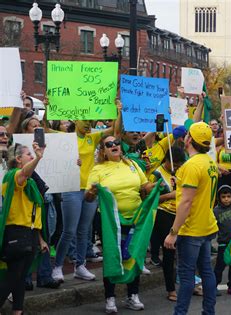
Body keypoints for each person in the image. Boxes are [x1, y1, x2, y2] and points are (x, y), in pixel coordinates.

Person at [85, 135, 155, 313]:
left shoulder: (132, 165)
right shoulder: (98, 169)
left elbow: (145, 186)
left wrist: (160, 185)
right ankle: (110, 298)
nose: (114, 145)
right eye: (109, 144)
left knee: (134, 255)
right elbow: (88, 197)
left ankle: (132, 295)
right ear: (103, 150)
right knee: (112, 257)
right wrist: (92, 192)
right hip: (110, 222)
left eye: (116, 143)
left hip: (134, 218)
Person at [52, 101, 120, 283]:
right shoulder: (65, 137)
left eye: (91, 120)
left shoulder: (93, 137)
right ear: (76, 120)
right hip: (72, 188)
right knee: (69, 231)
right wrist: (47, 109)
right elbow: (44, 130)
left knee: (84, 231)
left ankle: (80, 266)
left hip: (90, 189)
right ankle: (57, 266)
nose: (89, 123)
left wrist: (117, 111)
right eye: (86, 120)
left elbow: (115, 130)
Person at [164, 122, 219, 315]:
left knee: (186, 276)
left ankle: (180, 313)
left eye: (187, 135)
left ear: (189, 140)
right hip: (206, 225)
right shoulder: (210, 162)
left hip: (192, 228)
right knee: (206, 271)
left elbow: (186, 203)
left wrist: (173, 232)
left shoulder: (191, 166)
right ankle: (209, 311)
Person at [0, 142, 48, 314]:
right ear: (18, 159)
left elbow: (33, 213)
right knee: (12, 278)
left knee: (20, 279)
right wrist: (39, 157)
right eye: (29, 154)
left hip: (31, 233)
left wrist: (40, 239)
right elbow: (24, 174)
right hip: (17, 233)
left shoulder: (30, 183)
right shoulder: (13, 176)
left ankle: (17, 312)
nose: (32, 156)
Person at [149, 146, 186, 302]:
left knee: (185, 251)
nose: (177, 167)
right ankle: (170, 289)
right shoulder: (156, 174)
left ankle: (188, 284)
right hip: (163, 214)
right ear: (167, 160)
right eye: (175, 164)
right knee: (169, 252)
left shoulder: (182, 172)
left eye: (179, 164)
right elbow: (150, 200)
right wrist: (170, 195)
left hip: (180, 214)